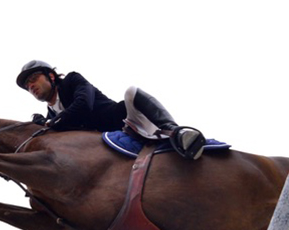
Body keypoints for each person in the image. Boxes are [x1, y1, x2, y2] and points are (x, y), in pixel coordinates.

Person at [15, 60, 205, 160]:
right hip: (101, 149)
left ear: (51, 76)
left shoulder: (72, 80)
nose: (30, 86)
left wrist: (52, 123)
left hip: (123, 121)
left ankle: (177, 133)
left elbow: (84, 104)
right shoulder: (51, 116)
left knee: (132, 92)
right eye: (27, 85)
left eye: (33, 79)